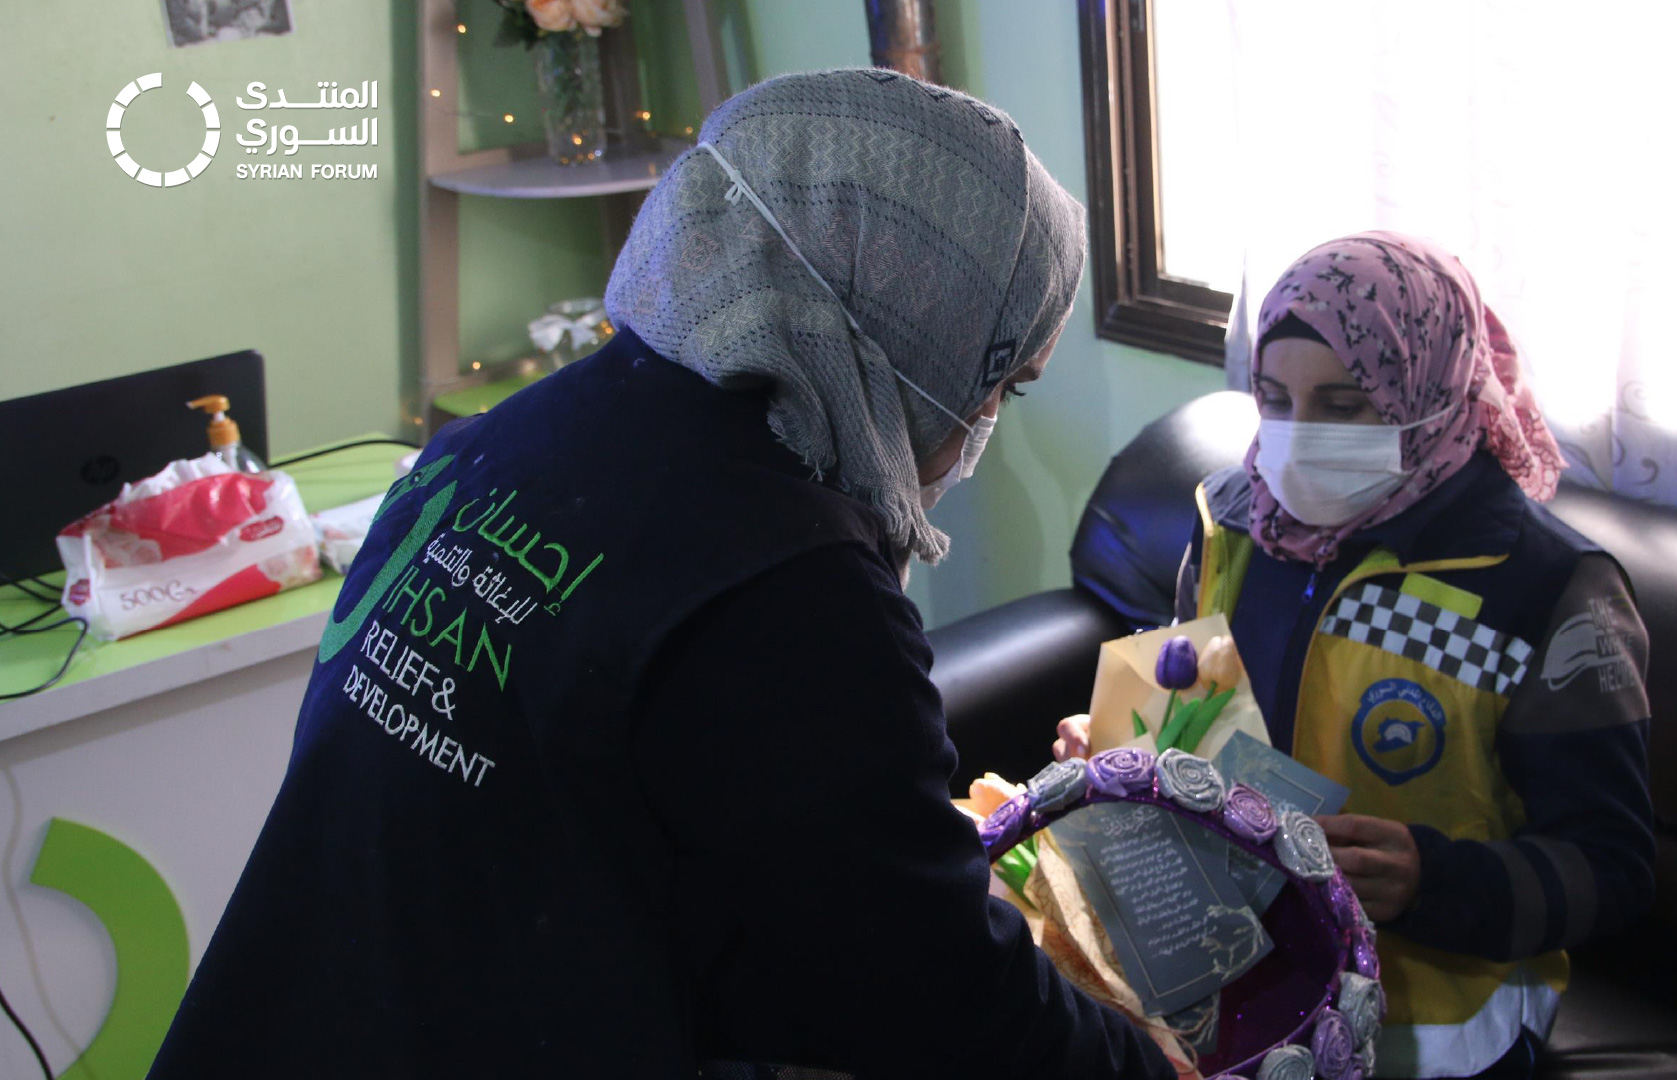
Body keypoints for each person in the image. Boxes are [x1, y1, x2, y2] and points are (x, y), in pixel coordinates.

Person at [149, 70, 1176, 1080]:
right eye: (998, 378)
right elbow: (934, 998)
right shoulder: (787, 583)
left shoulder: (505, 444)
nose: (976, 425)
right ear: (914, 329)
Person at [1055, 232, 1655, 1079]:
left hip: (1435, 1027)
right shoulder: (1231, 521)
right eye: (1273, 398)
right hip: (1239, 977)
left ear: (1431, 390)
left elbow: (1613, 866)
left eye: (1344, 406)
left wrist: (1431, 881)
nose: (1297, 441)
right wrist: (1127, 750)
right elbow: (1200, 711)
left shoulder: (1546, 589)